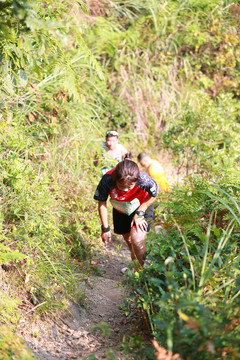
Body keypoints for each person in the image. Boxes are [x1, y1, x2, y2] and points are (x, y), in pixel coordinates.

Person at [93, 157, 158, 266]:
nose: (125, 189)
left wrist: (140, 212)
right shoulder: (107, 180)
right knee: (129, 241)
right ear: (116, 179)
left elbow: (154, 193)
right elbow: (102, 203)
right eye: (122, 186)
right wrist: (105, 229)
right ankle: (135, 265)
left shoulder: (144, 179)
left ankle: (140, 274)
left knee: (137, 240)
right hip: (121, 207)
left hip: (141, 205)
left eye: (130, 186)